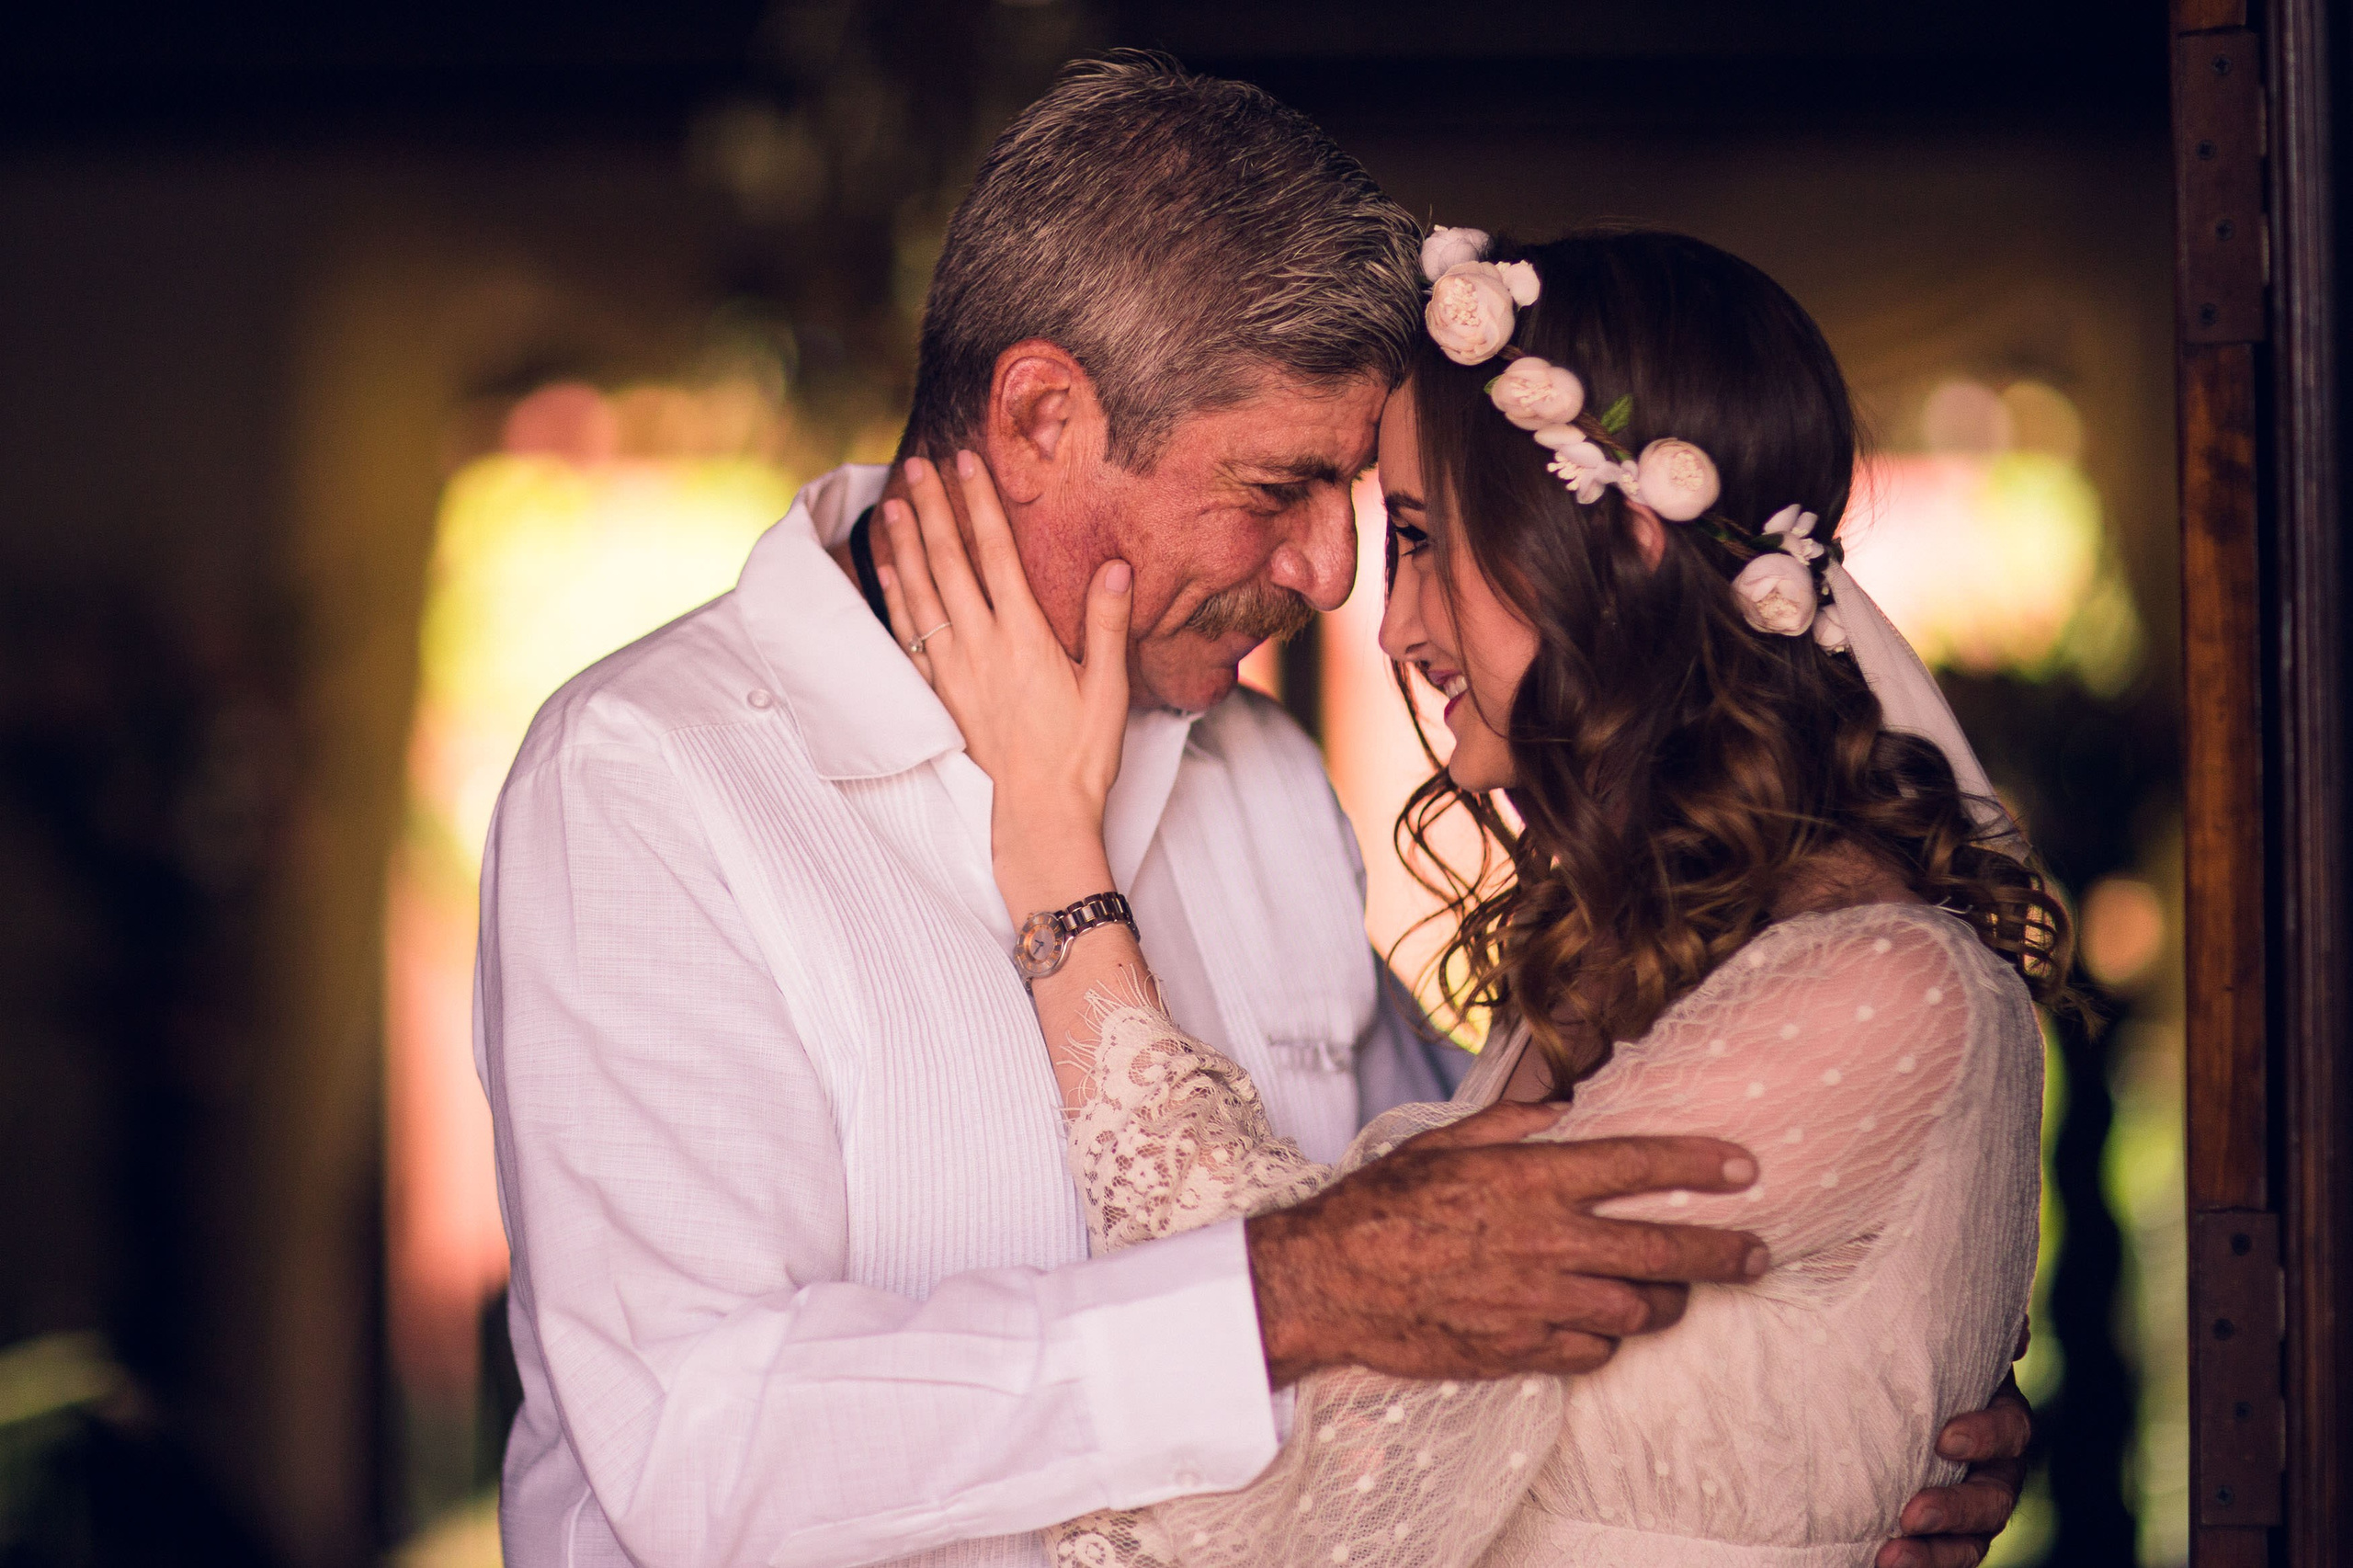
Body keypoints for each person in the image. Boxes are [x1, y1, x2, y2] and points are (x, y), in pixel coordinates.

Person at [475, 55, 2029, 1568]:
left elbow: (1500, 1231)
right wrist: (1284, 1298)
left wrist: (1833, 1385)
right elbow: (700, 1441)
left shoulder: (1258, 775)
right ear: (1039, 420)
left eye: (1362, 506)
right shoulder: (649, 780)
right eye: (1279, 487)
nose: (1331, 576)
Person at [872, 223, 2058, 1567]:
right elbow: (1366, 1270)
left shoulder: (1878, 993)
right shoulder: (1631, 967)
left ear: (1622, 542)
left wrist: (1050, 856)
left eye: (1423, 540)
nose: (1387, 624)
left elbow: (1315, 1414)